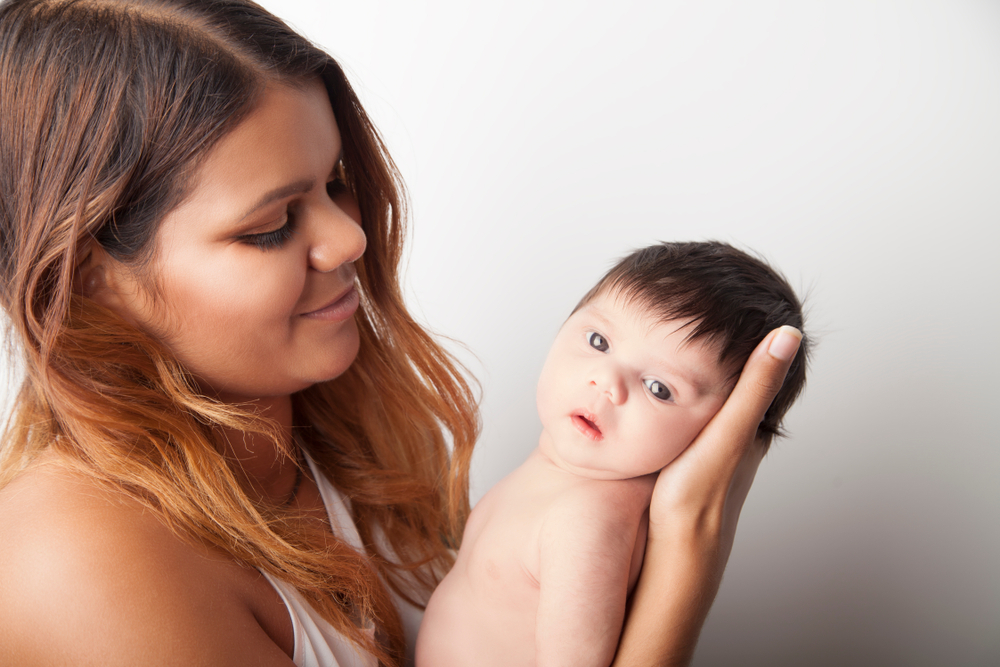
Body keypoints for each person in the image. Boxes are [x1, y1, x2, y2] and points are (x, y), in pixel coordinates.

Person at [0, 1, 803, 666]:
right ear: (90, 273)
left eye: (337, 184)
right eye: (272, 225)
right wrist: (685, 564)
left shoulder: (328, 434)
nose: (351, 238)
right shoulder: (73, 562)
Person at [417, 241, 809, 667]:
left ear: (720, 436)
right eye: (599, 341)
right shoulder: (564, 472)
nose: (607, 382)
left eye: (659, 388)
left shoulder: (588, 520)